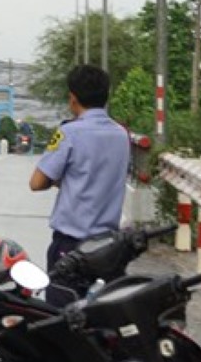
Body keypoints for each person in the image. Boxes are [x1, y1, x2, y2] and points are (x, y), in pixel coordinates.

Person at [29, 64, 130, 273]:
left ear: (72, 98)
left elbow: (37, 183)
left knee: (63, 304)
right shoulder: (122, 135)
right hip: (109, 247)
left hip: (71, 245)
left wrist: (65, 179)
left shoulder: (69, 133)